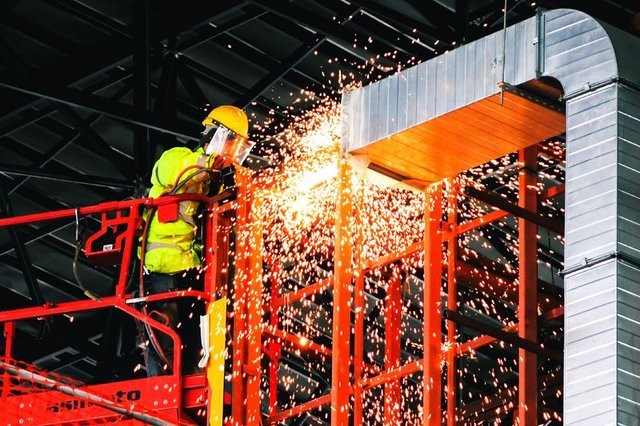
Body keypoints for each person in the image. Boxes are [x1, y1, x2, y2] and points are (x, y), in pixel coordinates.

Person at [139, 105, 252, 376]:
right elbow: (167, 173)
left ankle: (192, 380)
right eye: (230, 144)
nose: (231, 154)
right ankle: (162, 385)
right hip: (162, 267)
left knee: (193, 336)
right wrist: (207, 167)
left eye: (237, 149)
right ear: (214, 136)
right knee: (164, 331)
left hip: (192, 269)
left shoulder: (215, 184)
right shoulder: (180, 158)